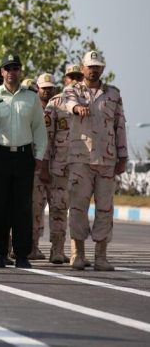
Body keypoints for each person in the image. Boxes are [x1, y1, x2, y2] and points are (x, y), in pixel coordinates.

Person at [0, 54, 47, 269]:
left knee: (22, 208)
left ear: (20, 71)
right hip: (0, 155)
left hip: (23, 157)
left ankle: (21, 254)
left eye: (15, 68)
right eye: (7, 68)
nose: (11, 72)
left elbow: (39, 129)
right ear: (1, 72)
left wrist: (39, 156)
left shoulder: (31, 97)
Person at [64, 51, 127, 271]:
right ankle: (77, 253)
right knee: (78, 207)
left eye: (98, 66)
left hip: (107, 160)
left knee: (105, 208)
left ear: (103, 69)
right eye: (90, 66)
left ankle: (101, 256)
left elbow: (120, 125)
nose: (94, 69)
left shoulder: (113, 94)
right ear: (82, 68)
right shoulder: (72, 90)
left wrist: (123, 155)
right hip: (81, 159)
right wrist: (77, 107)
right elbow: (68, 103)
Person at [40, 64, 84, 264]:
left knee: (78, 210)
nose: (74, 80)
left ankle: (77, 252)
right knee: (58, 209)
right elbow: (46, 139)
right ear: (65, 79)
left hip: (83, 167)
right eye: (71, 76)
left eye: (78, 76)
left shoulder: (89, 101)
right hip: (60, 167)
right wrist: (44, 166)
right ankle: (56, 249)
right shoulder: (55, 103)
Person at [28, 73, 56, 260]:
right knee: (34, 209)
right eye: (44, 87)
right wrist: (43, 167)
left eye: (50, 87)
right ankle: (31, 246)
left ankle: (52, 248)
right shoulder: (32, 108)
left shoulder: (58, 108)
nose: (47, 90)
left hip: (57, 166)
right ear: (38, 88)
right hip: (36, 167)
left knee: (53, 208)